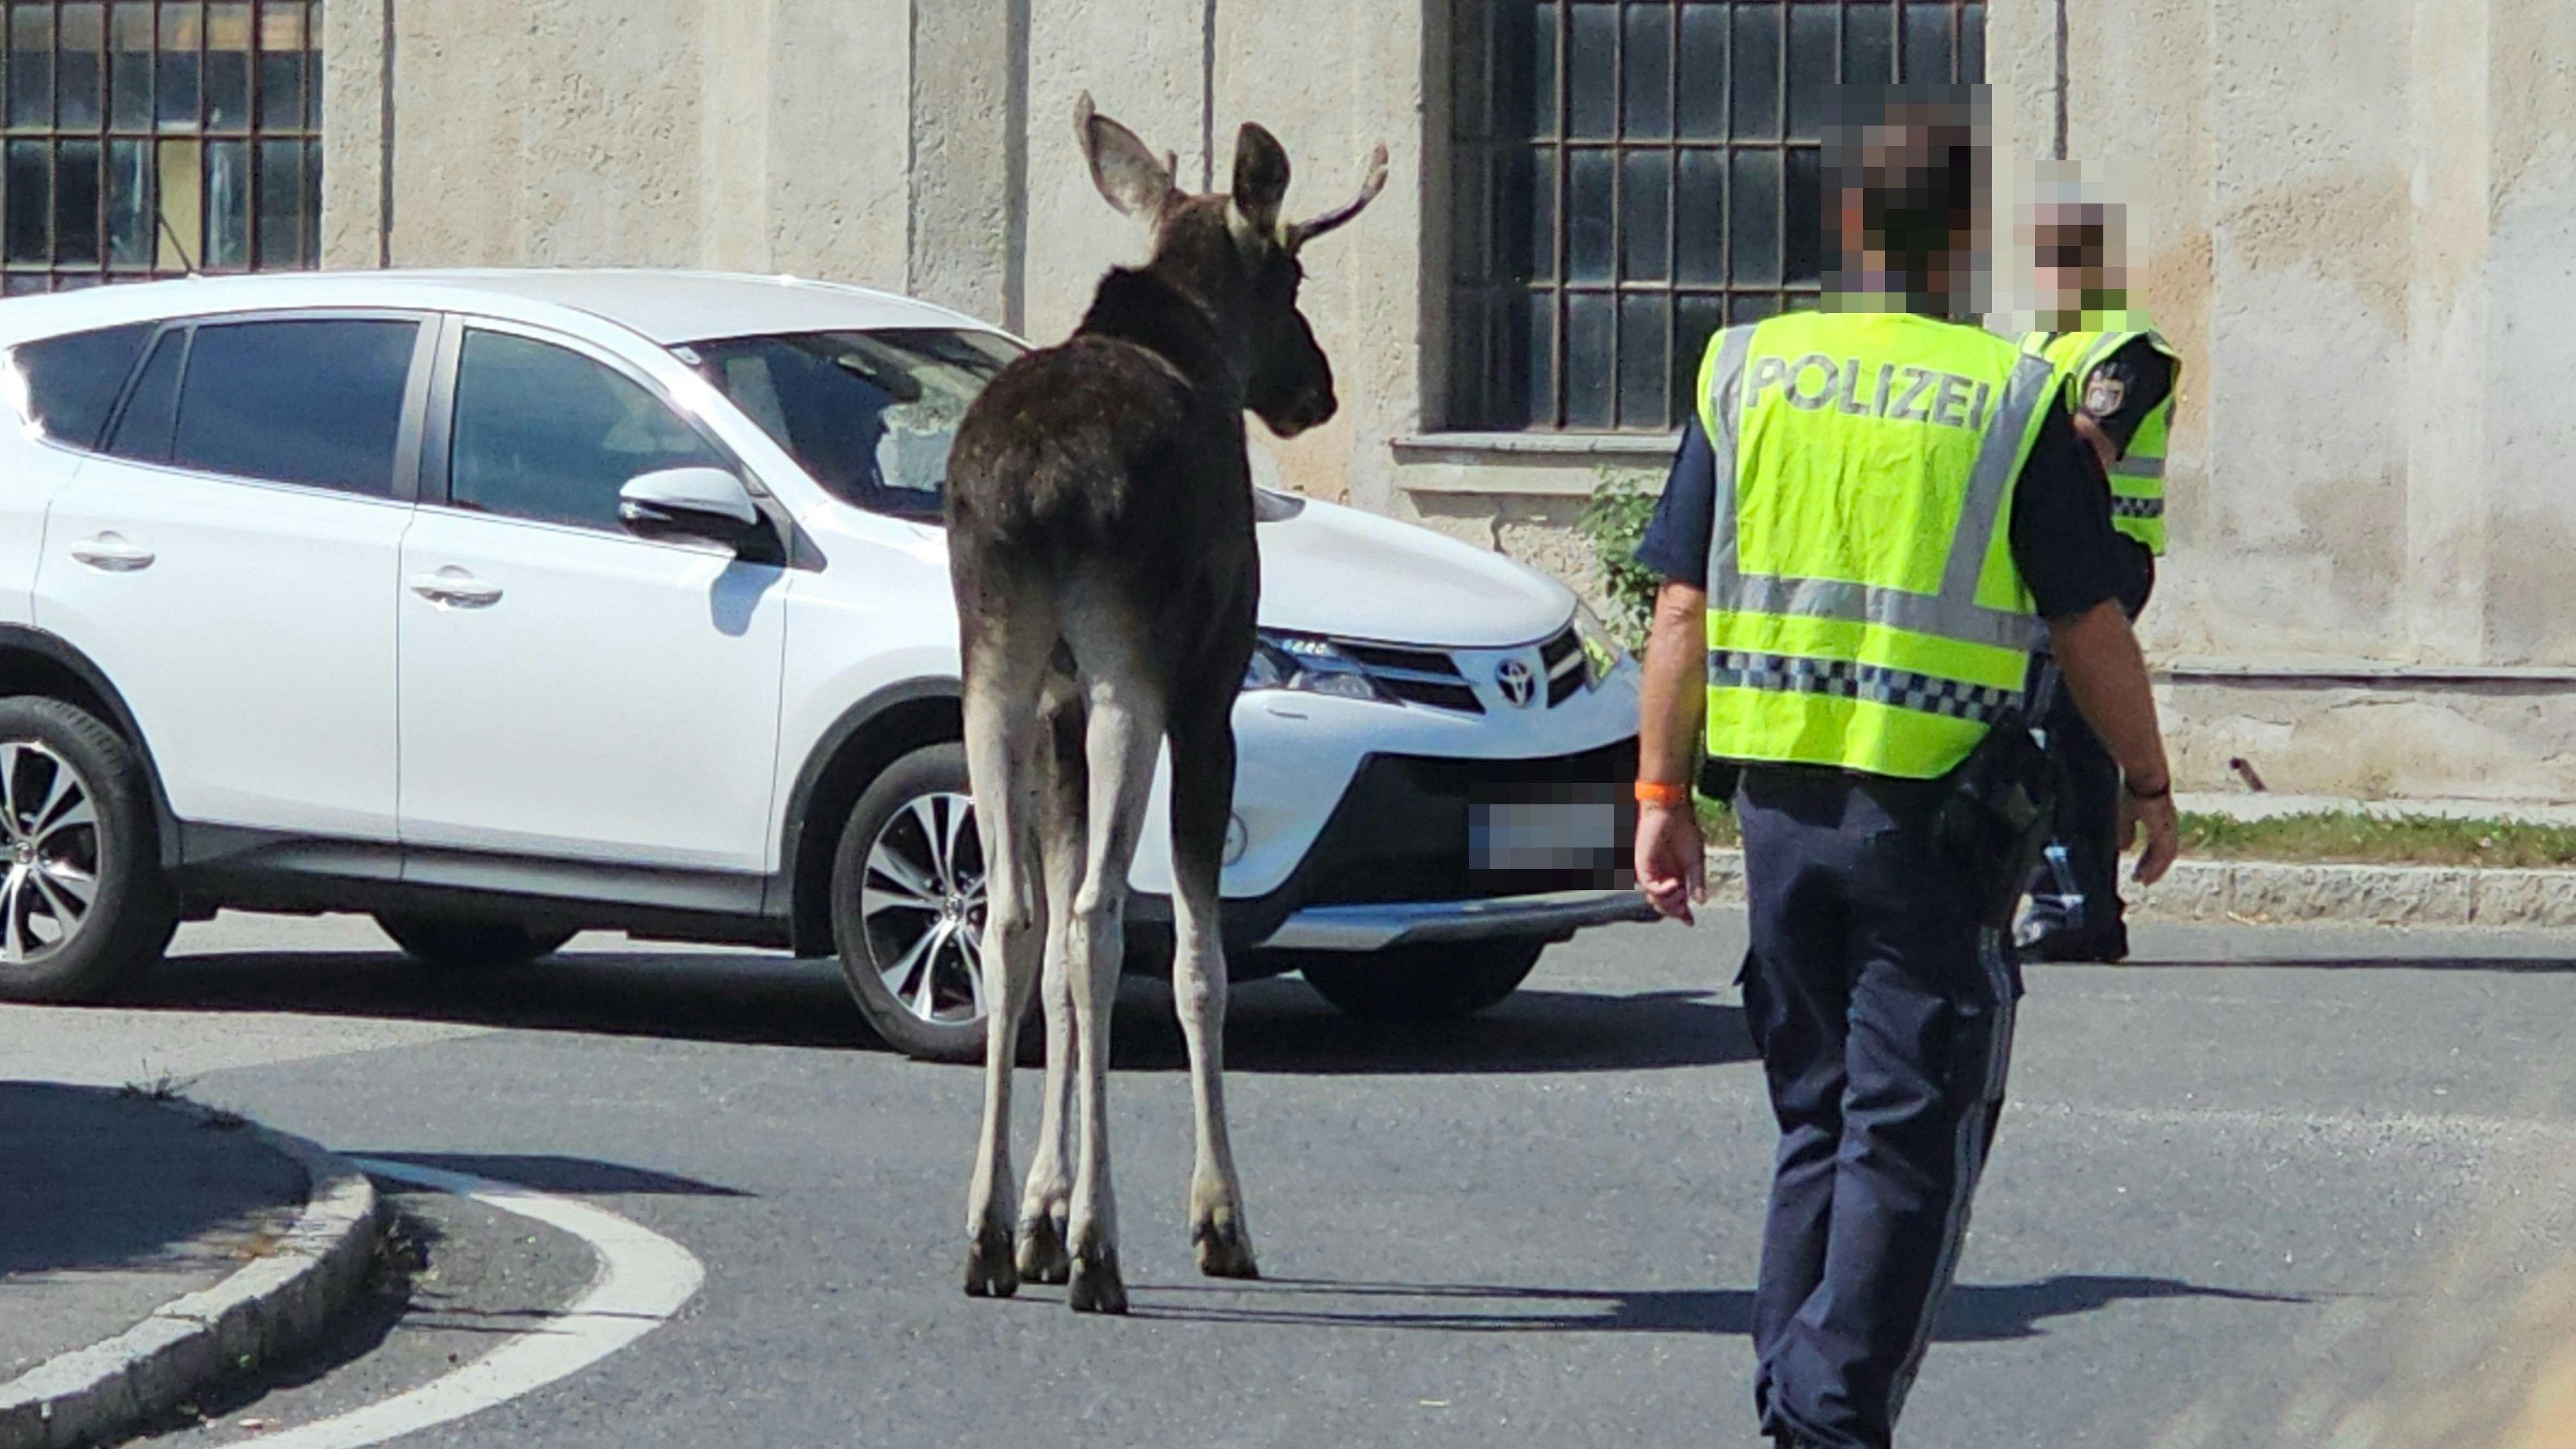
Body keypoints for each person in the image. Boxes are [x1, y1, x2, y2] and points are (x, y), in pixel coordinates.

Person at [1627, 88, 2181, 1449]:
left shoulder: (1745, 368)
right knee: (1912, 1133)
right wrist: (2148, 780)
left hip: (1773, 817)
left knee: (1814, 1120)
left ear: (1846, 226)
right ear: (1963, 240)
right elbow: (2086, 622)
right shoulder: (2005, 395)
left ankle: (1789, 1397)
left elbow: (1679, 613)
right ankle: (1826, 1418)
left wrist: (1656, 797)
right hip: (1929, 827)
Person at [2013, 181, 2183, 962]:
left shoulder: (2125, 345)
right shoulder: (2043, 341)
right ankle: (2060, 892)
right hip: (2051, 547)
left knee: (2065, 727)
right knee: (2050, 724)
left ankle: (2078, 907)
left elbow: (2088, 444)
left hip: (2104, 552)